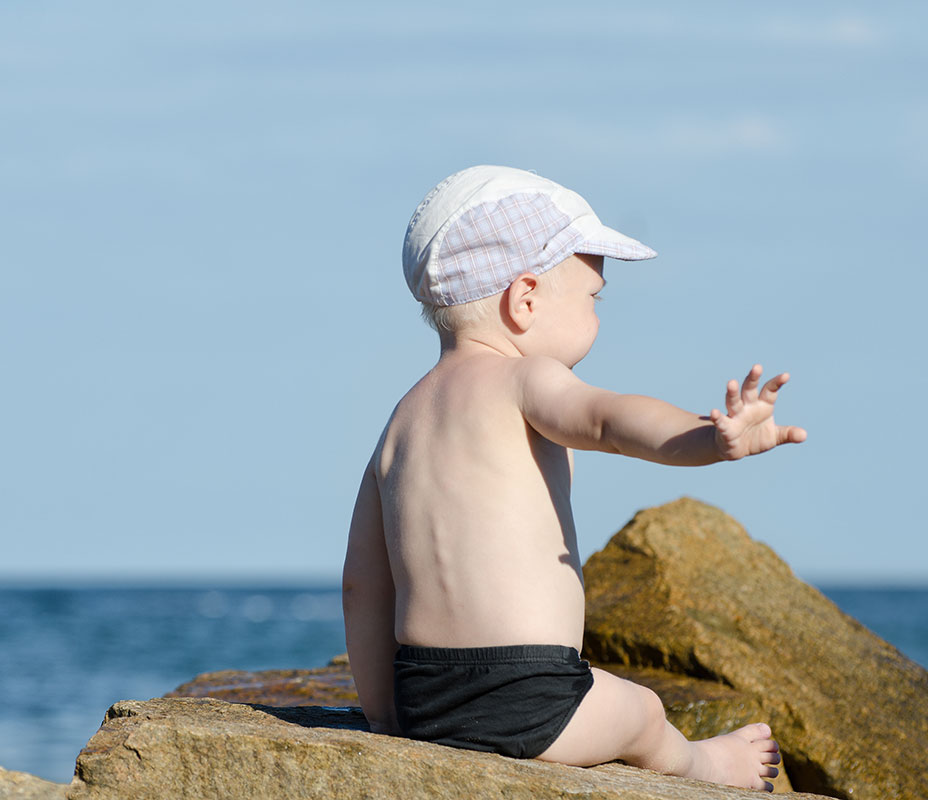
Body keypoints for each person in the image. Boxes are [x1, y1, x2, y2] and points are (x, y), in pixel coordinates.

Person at [342, 165, 805, 792]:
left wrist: (385, 713)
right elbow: (610, 419)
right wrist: (709, 439)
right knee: (642, 712)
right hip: (531, 694)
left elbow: (364, 582)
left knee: (622, 706)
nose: (598, 311)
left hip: (425, 694)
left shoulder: (403, 420)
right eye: (594, 296)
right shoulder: (523, 379)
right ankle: (705, 765)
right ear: (524, 299)